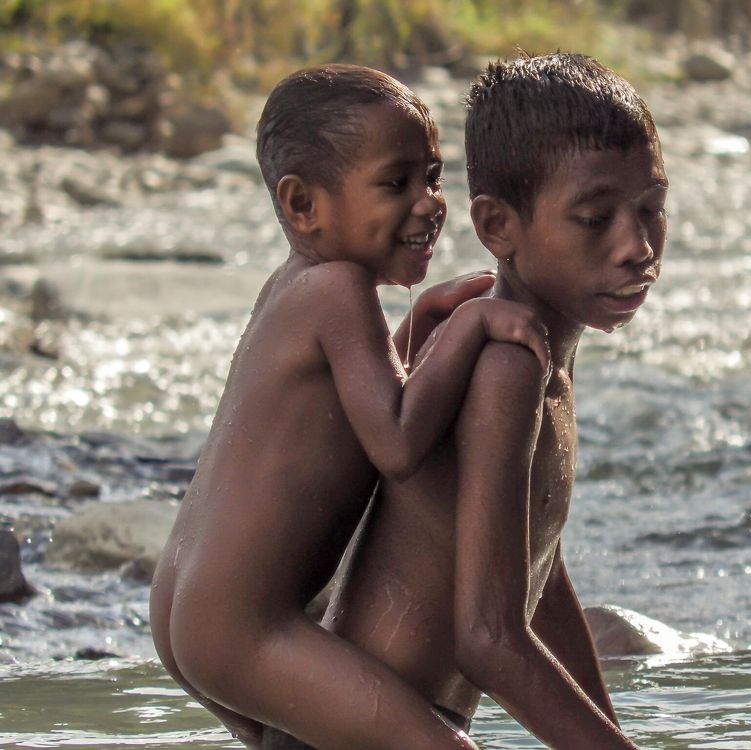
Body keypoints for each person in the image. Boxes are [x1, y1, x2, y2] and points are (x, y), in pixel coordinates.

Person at [264, 51, 667, 749]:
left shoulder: (538, 354)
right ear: (497, 227)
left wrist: (615, 736)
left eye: (652, 208)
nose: (637, 246)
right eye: (595, 218)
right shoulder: (504, 367)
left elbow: (538, 580)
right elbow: (487, 641)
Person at [148, 64, 550, 750]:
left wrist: (420, 325)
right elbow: (394, 442)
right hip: (244, 626)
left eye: (432, 175)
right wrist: (468, 331)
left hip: (185, 602)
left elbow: (350, 403)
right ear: (303, 205)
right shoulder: (340, 291)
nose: (428, 202)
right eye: (396, 183)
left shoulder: (295, 284)